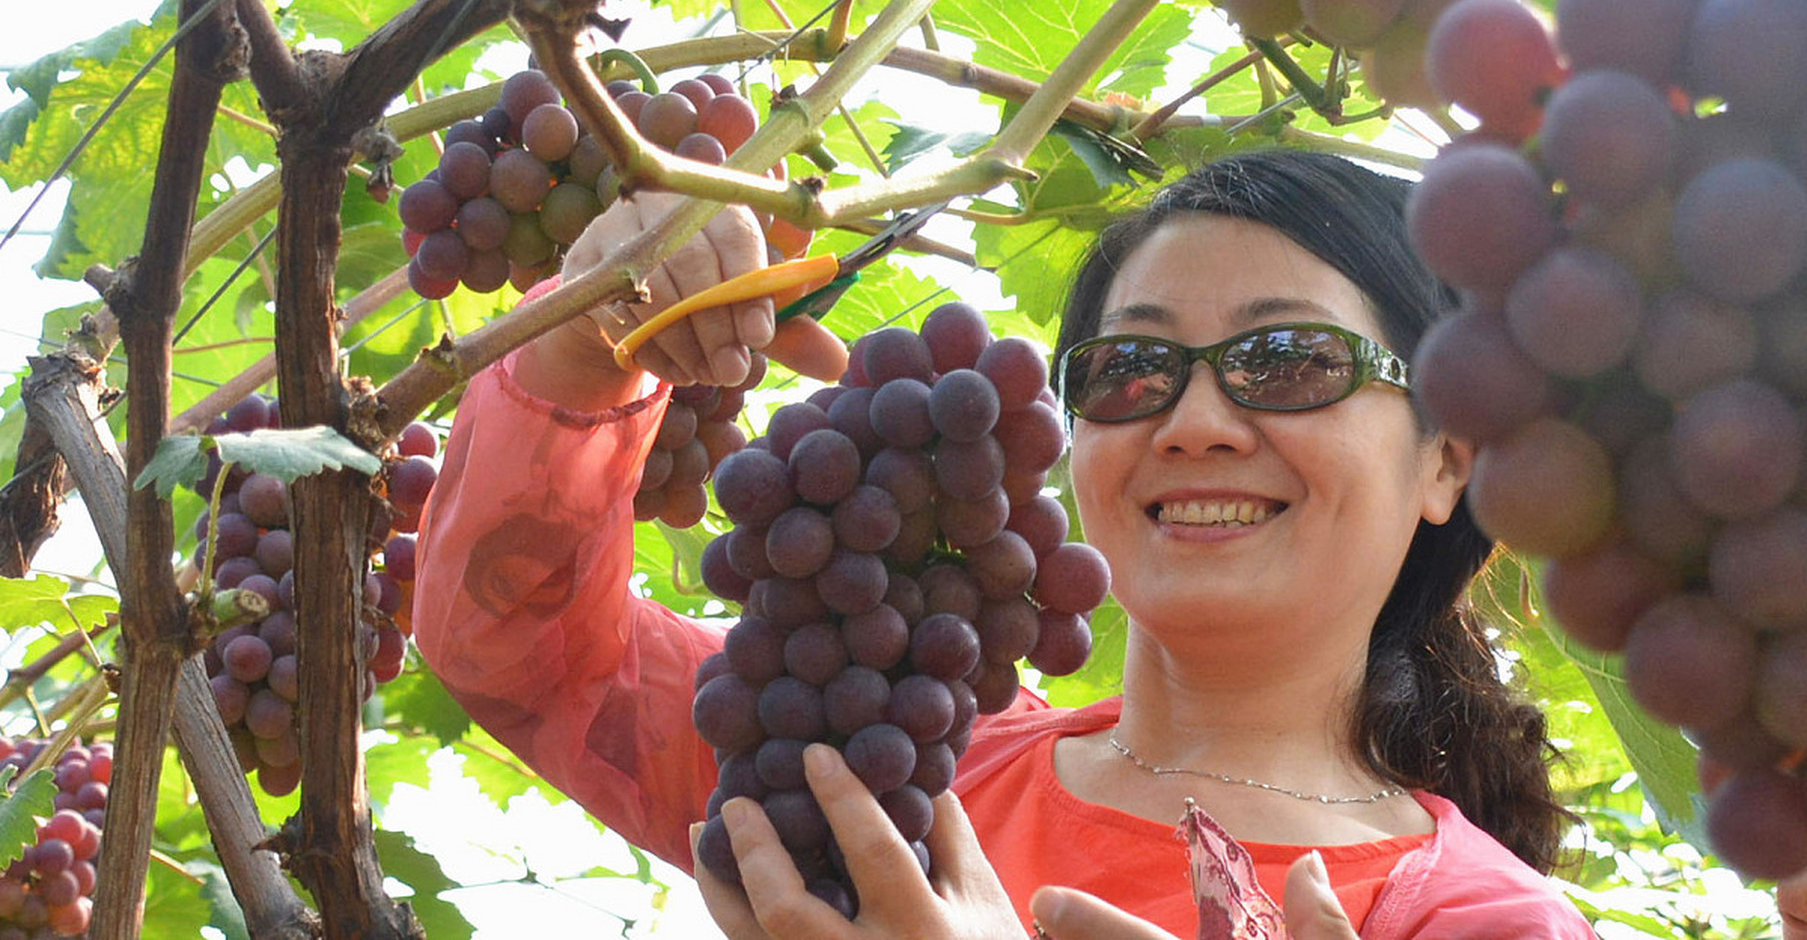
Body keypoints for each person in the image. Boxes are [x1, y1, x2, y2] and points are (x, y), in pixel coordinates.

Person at [412, 149, 1594, 938]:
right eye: (1131, 368)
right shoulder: (897, 748)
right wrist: (592, 329)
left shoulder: (1481, 917)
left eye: (1286, 359)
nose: (1192, 423)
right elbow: (525, 647)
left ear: (1446, 456)